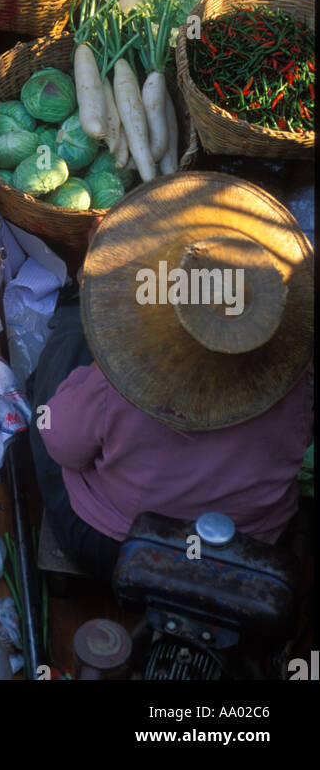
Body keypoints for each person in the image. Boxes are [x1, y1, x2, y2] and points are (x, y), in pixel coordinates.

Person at [28, 193, 314, 584]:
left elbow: (63, 446)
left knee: (53, 392)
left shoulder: (127, 379)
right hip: (249, 555)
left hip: (125, 549)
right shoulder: (299, 369)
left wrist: (100, 365)